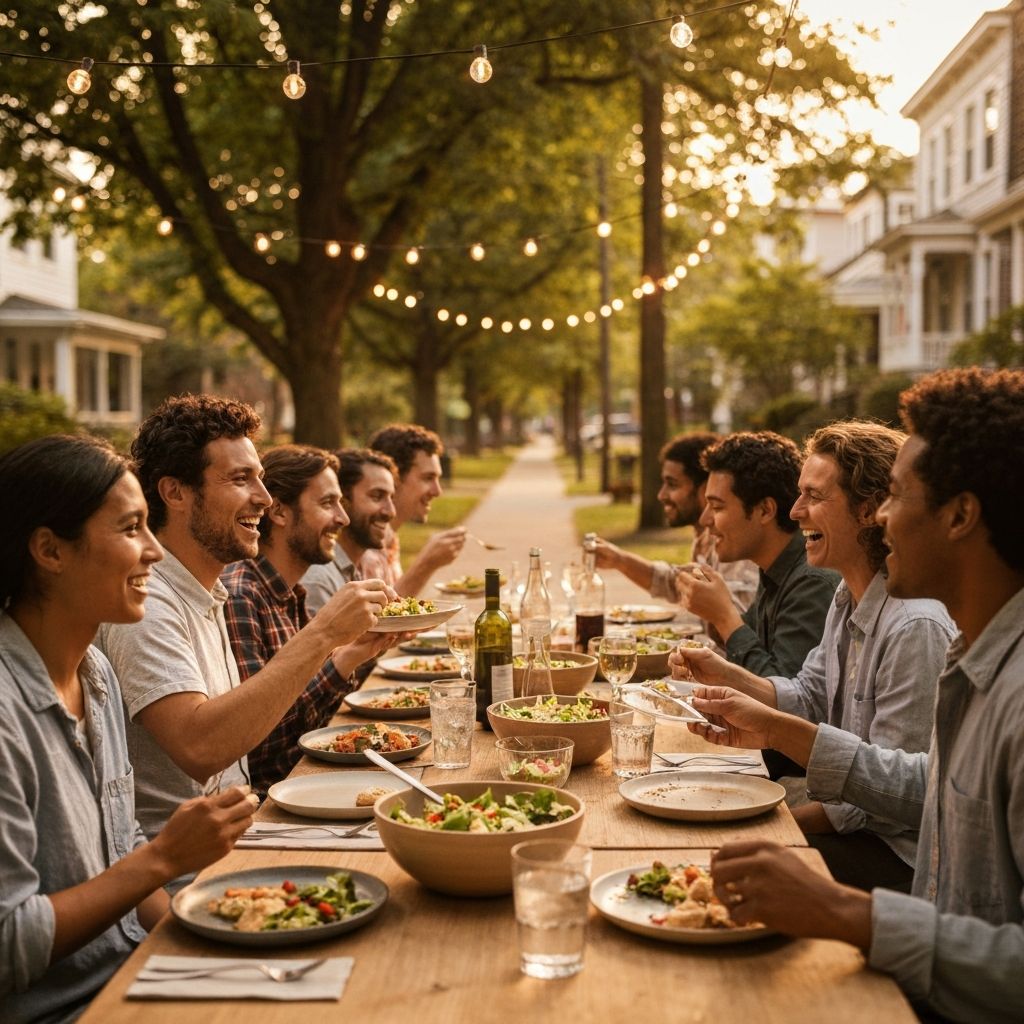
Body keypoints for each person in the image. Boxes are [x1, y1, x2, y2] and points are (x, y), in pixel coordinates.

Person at [684, 368, 1024, 1022]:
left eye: (896, 496)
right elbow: (931, 786)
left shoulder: (961, 654)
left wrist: (848, 913)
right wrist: (769, 721)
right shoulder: (971, 656)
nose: (883, 518)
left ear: (960, 516)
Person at [0, 435, 255, 1024]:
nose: (155, 553)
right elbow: (10, 943)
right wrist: (166, 858)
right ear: (49, 550)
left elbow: (122, 849)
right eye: (131, 528)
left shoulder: (96, 674)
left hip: (133, 970)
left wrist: (219, 945)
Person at [97, 395, 395, 848]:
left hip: (246, 835)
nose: (265, 497)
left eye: (260, 477)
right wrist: (324, 635)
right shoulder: (149, 602)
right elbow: (201, 748)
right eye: (240, 479)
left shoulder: (207, 591)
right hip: (190, 874)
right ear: (174, 492)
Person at [672, 421, 955, 892]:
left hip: (898, 860)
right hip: (858, 827)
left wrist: (780, 818)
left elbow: (899, 799)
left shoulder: (916, 625)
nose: (795, 509)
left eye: (813, 496)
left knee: (720, 869)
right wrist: (727, 674)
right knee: (698, 844)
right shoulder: (848, 594)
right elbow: (809, 695)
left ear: (868, 510)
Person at [222, 445, 400, 795]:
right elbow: (261, 743)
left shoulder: (291, 593)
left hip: (305, 781)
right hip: (270, 803)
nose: (343, 519)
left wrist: (355, 653)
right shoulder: (242, 596)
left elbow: (310, 717)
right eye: (327, 504)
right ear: (280, 512)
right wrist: (337, 653)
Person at [678, 431, 840, 677]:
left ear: (765, 510)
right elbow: (752, 643)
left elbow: (780, 697)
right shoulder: (773, 566)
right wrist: (713, 617)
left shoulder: (811, 581)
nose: (705, 519)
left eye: (717, 506)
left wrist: (723, 617)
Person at [592, 432, 759, 609]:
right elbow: (675, 583)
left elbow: (735, 620)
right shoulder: (703, 538)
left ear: (705, 489)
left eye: (672, 485)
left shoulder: (731, 544)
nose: (661, 495)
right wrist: (619, 560)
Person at [363, 423, 467, 595]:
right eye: (428, 478)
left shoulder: (390, 539)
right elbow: (386, 620)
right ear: (393, 478)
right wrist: (426, 565)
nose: (437, 491)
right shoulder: (364, 550)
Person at [302, 448, 399, 614]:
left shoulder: (353, 570)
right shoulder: (319, 581)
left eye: (391, 498)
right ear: (343, 500)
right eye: (376, 496)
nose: (390, 511)